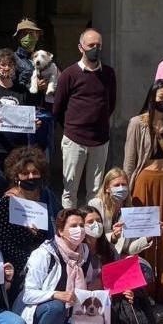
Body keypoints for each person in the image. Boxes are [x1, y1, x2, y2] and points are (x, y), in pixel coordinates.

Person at [16, 208, 107, 324]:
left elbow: (85, 281)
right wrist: (56, 294)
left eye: (81, 225)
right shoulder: (44, 254)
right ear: (60, 231)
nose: (79, 230)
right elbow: (28, 295)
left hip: (71, 312)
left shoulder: (84, 251)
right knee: (56, 306)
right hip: (42, 311)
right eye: (73, 226)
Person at [123, 80, 163, 307]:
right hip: (145, 183)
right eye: (161, 97)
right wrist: (125, 193)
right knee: (144, 236)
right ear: (152, 97)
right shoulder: (137, 123)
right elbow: (130, 161)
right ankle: (144, 289)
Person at [83, 207, 157, 324]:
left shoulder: (107, 248)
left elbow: (118, 272)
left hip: (111, 293)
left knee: (134, 295)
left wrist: (127, 289)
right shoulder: (78, 249)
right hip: (88, 298)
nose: (95, 224)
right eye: (90, 222)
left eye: (98, 221)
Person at [52, 28, 116, 209]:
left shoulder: (109, 74)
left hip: (100, 139)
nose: (95, 48)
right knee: (70, 188)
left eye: (98, 45)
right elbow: (58, 107)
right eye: (91, 45)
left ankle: (92, 228)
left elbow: (111, 104)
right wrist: (72, 127)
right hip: (75, 139)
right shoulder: (69, 74)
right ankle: (69, 226)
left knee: (96, 191)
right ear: (81, 48)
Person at [0, 146, 59, 301]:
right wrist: (30, 259)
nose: (31, 176)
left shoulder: (45, 195)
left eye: (35, 172)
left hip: (47, 258)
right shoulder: (8, 202)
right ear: (16, 176)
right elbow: (1, 241)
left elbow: (58, 220)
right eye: (25, 173)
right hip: (19, 265)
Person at [0, 48, 42, 189]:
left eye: (10, 64)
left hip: (17, 150)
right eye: (2, 65)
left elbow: (28, 118)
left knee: (15, 187)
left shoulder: (22, 91)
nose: (7, 68)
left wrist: (34, 124)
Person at [88, 167, 158, 285]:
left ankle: (129, 298)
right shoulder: (96, 204)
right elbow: (93, 237)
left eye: (124, 184)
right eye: (116, 185)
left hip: (119, 258)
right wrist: (113, 237)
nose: (121, 188)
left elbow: (130, 249)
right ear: (107, 188)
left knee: (145, 270)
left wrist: (148, 237)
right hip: (100, 258)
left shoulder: (130, 211)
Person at [11, 18, 55, 154]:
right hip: (24, 115)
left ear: (38, 36)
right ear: (19, 37)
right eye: (24, 34)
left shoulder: (45, 57)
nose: (29, 37)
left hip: (45, 115)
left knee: (44, 158)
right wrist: (34, 87)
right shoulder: (13, 59)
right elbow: (12, 87)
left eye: (32, 33)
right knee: (26, 158)